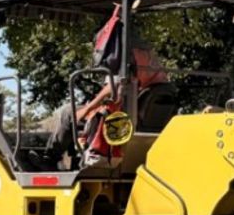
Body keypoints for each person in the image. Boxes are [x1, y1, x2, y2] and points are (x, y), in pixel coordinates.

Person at [46, 9, 167, 166]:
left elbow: (114, 86)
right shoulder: (148, 56)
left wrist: (88, 108)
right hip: (137, 117)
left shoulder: (124, 56)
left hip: (119, 119)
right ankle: (74, 160)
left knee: (69, 112)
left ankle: (50, 158)